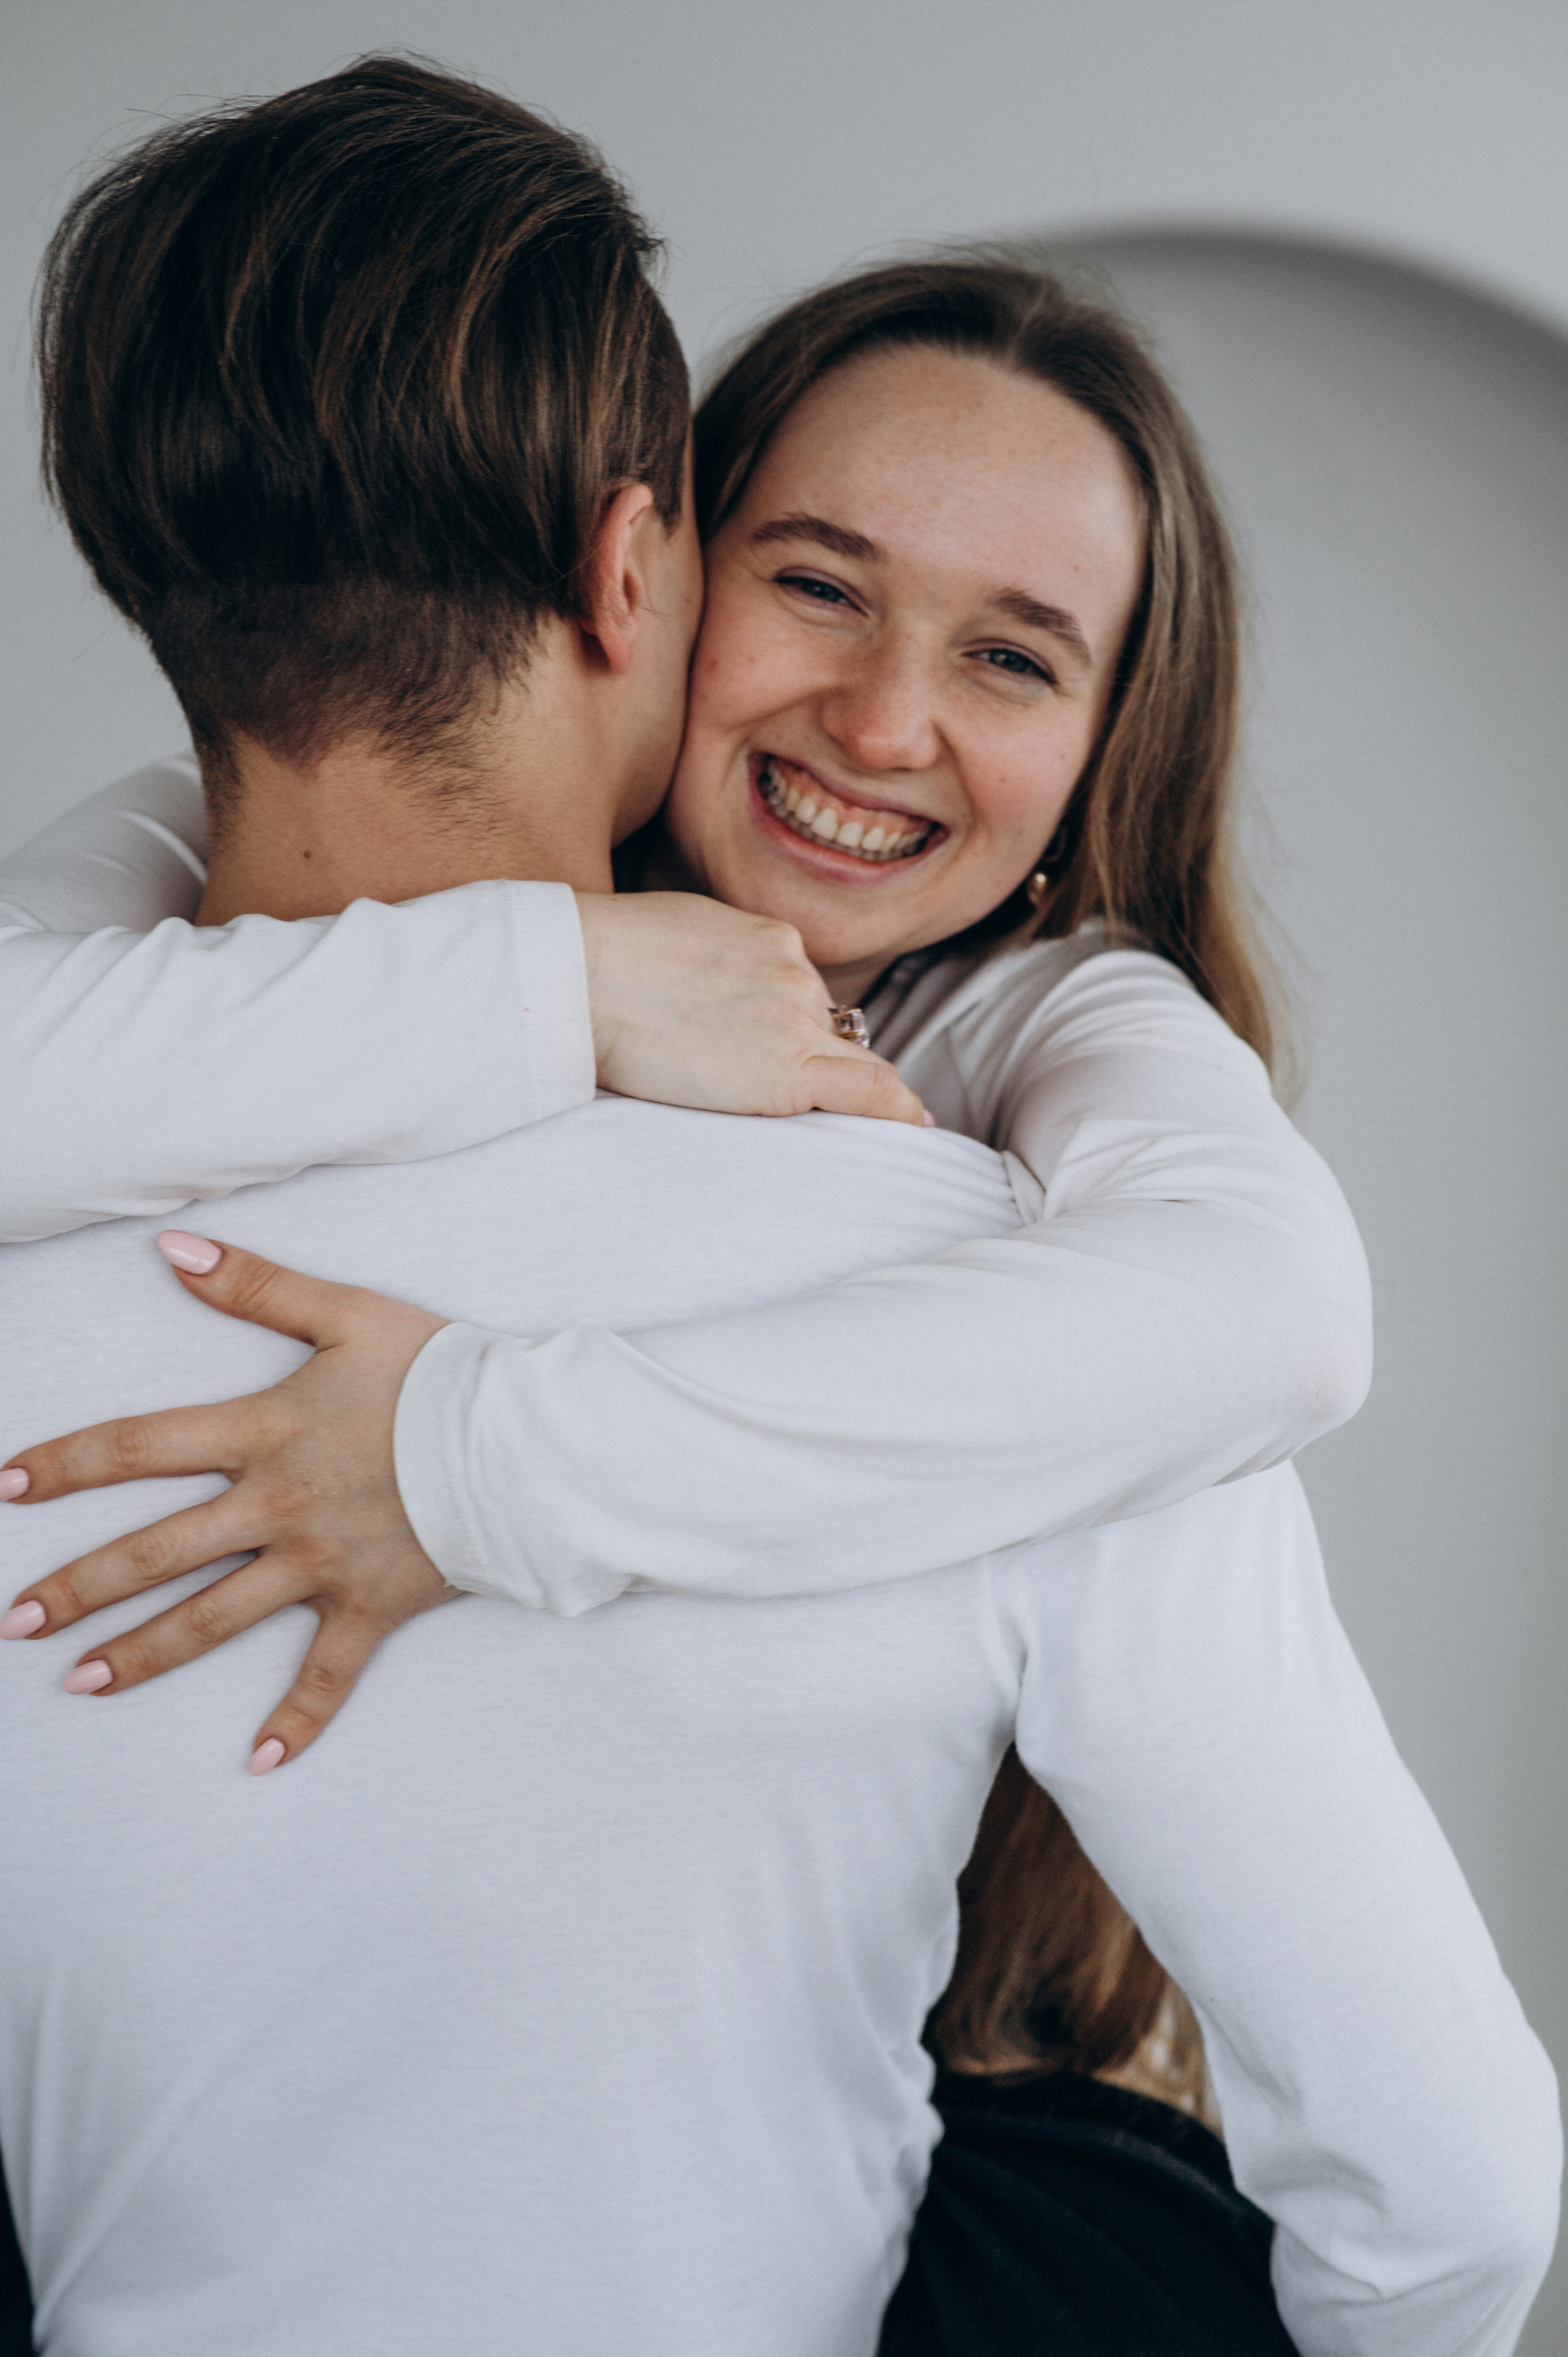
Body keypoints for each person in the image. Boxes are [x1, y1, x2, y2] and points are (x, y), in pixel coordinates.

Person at [0, 56, 1556, 2357]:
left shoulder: (50, 1187)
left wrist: (474, 1458)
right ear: (646, 566)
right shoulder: (1027, 1323)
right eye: (815, 581)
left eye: (1011, 654)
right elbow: (1455, 2196)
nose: (884, 721)